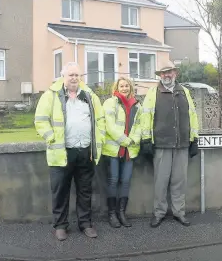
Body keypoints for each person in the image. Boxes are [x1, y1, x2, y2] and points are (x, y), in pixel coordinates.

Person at [34, 62, 106, 241]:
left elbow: (100, 120)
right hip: (62, 153)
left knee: (85, 190)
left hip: (85, 151)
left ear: (81, 78)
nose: (74, 78)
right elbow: (40, 120)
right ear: (63, 76)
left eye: (77, 75)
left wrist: (99, 140)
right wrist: (51, 137)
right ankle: (60, 225)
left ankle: (86, 224)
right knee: (60, 191)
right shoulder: (51, 95)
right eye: (71, 75)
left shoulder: (89, 95)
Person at [140, 61, 199, 227]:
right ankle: (159, 213)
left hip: (182, 144)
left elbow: (192, 116)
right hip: (161, 144)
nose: (166, 75)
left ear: (175, 73)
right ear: (160, 75)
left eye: (169, 72)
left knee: (179, 181)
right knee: (161, 182)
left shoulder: (184, 92)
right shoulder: (153, 92)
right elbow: (146, 117)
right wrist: (146, 139)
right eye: (163, 73)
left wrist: (194, 138)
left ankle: (179, 212)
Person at [102, 76, 142, 228]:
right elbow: (109, 126)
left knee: (125, 182)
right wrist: (125, 140)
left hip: (130, 150)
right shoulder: (110, 102)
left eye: (127, 86)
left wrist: (133, 140)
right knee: (113, 181)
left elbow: (139, 126)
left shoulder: (137, 105)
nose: (124, 88)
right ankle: (112, 214)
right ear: (116, 88)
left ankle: (122, 213)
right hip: (114, 149)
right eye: (121, 86)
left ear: (130, 88)